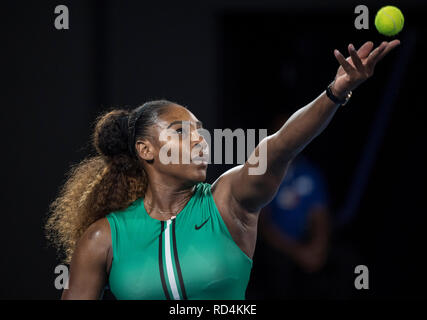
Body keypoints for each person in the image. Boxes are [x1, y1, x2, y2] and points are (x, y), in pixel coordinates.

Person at [45, 40, 400, 299]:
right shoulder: (102, 238)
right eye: (182, 132)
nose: (200, 140)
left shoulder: (228, 201)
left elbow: (278, 147)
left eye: (201, 131)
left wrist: (335, 93)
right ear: (145, 150)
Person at [247, 154, 331, 299]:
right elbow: (262, 225)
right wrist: (296, 252)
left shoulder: (310, 173)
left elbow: (320, 217)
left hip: (302, 248)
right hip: (270, 249)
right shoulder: (262, 173)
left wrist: (318, 249)